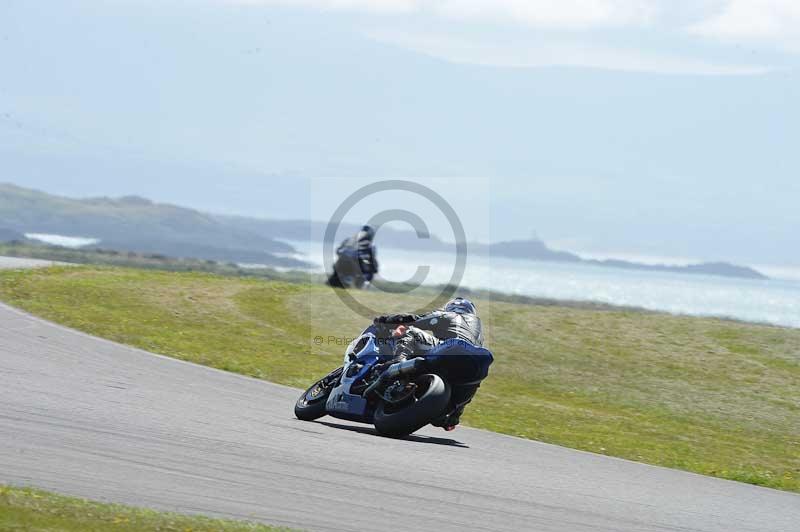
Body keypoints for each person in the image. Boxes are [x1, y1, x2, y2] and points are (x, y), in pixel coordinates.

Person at [372, 297, 492, 431]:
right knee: (473, 382)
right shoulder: (478, 330)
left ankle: (398, 361)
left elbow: (413, 319)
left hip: (451, 348)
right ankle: (454, 414)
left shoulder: (448, 315)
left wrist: (384, 320)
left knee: (410, 330)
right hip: (480, 360)